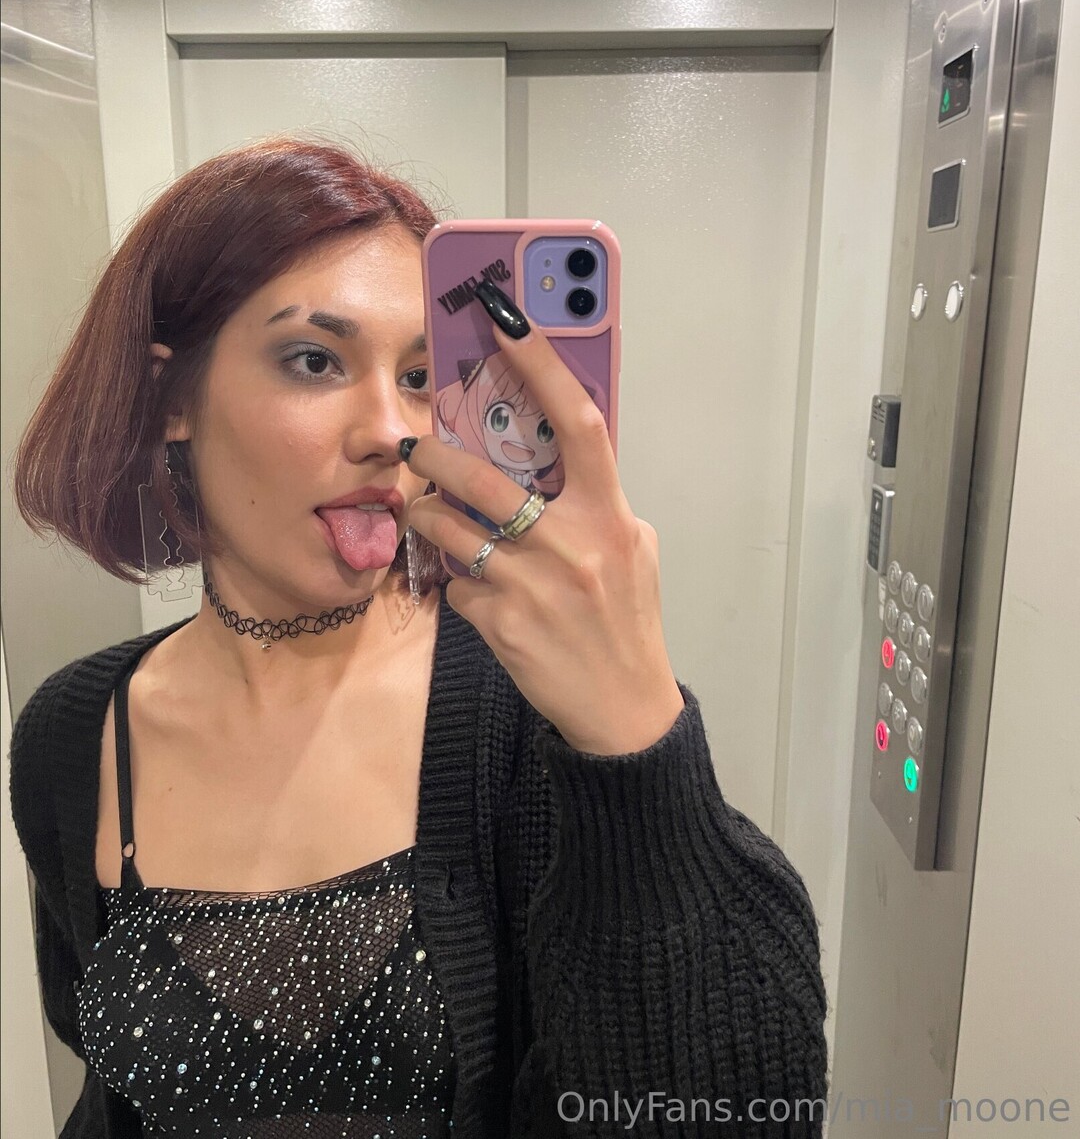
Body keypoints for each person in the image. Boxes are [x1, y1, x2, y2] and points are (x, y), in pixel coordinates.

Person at [8, 137, 829, 1137]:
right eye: (314, 360)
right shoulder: (70, 734)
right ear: (172, 398)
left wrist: (638, 738)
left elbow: (738, 1108)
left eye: (418, 376)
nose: (389, 432)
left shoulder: (522, 709)